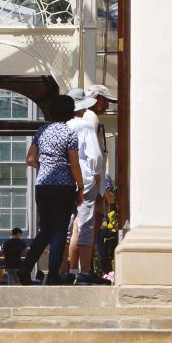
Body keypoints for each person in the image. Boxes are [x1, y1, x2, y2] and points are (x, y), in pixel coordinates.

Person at [19, 94, 84, 285]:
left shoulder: (42, 130)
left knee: (45, 229)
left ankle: (25, 269)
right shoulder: (70, 133)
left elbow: (30, 159)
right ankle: (53, 274)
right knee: (59, 230)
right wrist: (80, 187)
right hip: (63, 186)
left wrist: (45, 165)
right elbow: (74, 164)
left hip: (43, 185)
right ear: (70, 112)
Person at [67, 85, 114, 285]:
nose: (108, 105)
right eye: (105, 100)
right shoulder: (89, 120)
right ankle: (83, 271)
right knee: (85, 225)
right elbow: (95, 155)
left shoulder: (68, 124)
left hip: (74, 177)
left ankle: (71, 269)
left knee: (75, 225)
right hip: (88, 178)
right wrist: (99, 180)